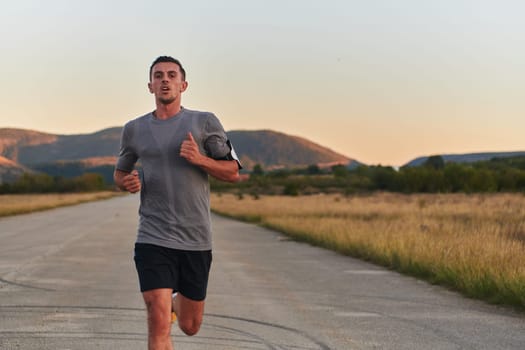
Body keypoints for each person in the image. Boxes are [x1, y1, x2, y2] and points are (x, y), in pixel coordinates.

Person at [114, 55, 241, 350]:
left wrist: (200, 159)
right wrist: (126, 182)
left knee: (190, 326)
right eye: (158, 76)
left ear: (183, 84)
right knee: (158, 320)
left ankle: (175, 301)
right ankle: (164, 301)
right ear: (150, 86)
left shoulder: (205, 121)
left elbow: (233, 172)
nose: (165, 80)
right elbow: (120, 174)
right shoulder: (134, 129)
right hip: (153, 236)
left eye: (171, 75)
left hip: (195, 239)